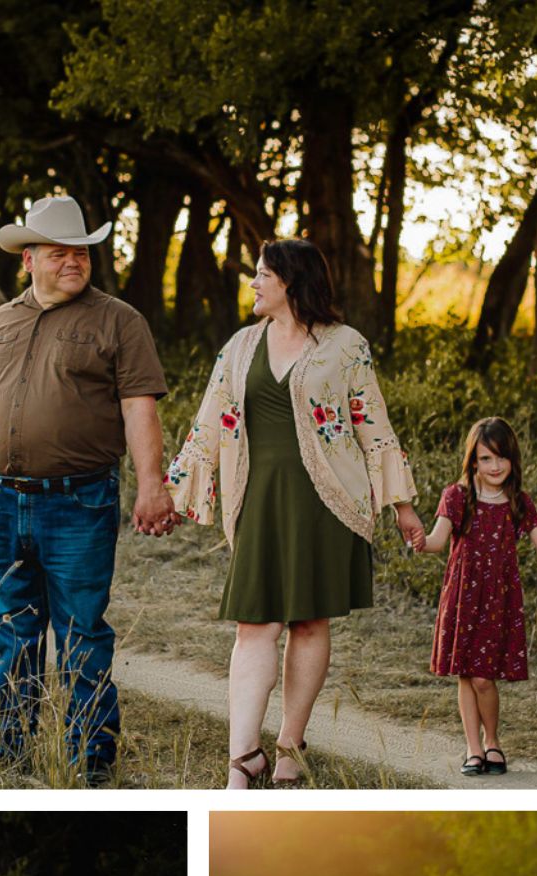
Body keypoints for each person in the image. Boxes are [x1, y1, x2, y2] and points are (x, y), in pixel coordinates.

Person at [0, 194, 175, 785]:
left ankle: (91, 767)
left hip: (80, 502)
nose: (74, 261)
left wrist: (151, 485)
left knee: (82, 635)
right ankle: (6, 757)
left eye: (82, 251)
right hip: (4, 501)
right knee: (12, 631)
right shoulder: (1, 320)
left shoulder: (118, 321)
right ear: (29, 258)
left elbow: (139, 408)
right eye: (60, 252)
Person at [166, 238, 425, 788]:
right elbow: (207, 424)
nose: (253, 284)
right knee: (253, 625)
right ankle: (243, 760)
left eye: (262, 274)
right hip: (258, 499)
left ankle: (289, 745)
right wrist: (175, 490)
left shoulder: (346, 345)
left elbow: (372, 423)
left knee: (309, 622)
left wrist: (401, 504)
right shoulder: (238, 347)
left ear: (291, 281)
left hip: (327, 502)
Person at [408, 417, 537, 777]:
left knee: (484, 678)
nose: (495, 467)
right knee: (466, 674)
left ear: (512, 459)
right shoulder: (458, 496)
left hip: (497, 601)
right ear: (472, 461)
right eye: (485, 459)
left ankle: (493, 740)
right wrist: (419, 541)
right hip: (463, 595)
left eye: (501, 458)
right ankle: (473, 748)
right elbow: (435, 542)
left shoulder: (517, 502)